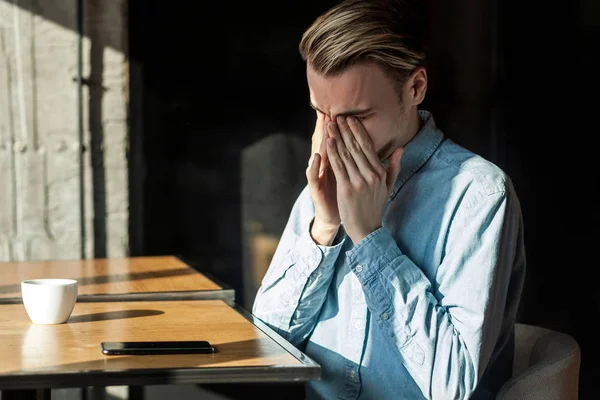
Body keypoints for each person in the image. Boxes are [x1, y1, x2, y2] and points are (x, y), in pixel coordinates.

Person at [252, 0, 526, 398]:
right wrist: (325, 228)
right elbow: (265, 346)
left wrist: (369, 238)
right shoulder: (325, 180)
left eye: (357, 117)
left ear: (415, 88)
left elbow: (451, 385)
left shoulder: (479, 196)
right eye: (320, 113)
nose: (332, 139)